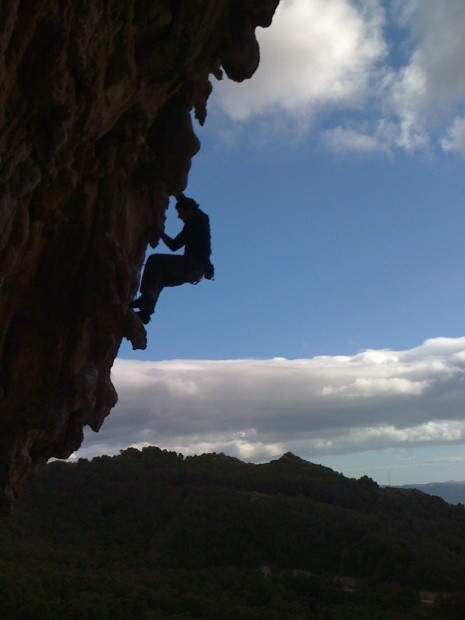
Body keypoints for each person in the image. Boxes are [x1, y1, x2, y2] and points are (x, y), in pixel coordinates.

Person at [130, 194, 213, 324]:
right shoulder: (201, 220)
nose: (179, 216)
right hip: (193, 273)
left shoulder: (195, 224)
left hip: (192, 265)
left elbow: (173, 246)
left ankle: (147, 298)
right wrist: (177, 194)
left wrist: (160, 232)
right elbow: (174, 245)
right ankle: (145, 313)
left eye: (181, 213)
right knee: (160, 279)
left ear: (190, 210)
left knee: (155, 261)